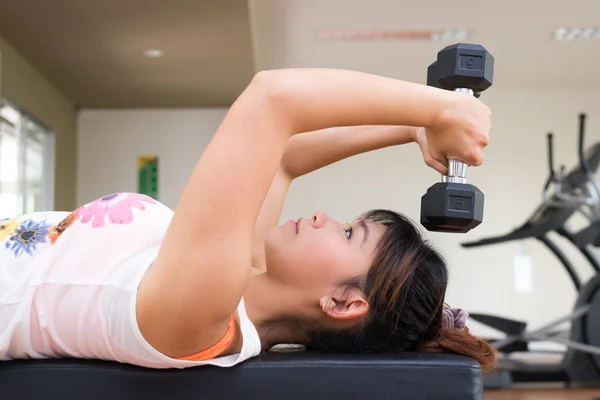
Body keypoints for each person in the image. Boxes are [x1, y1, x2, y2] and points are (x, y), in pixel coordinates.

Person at [0, 68, 496, 372]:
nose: (324, 216)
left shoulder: (204, 311)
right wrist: (410, 127)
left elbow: (272, 99)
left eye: (349, 232)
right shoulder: (237, 278)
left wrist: (441, 108)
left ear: (344, 302)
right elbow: (284, 158)